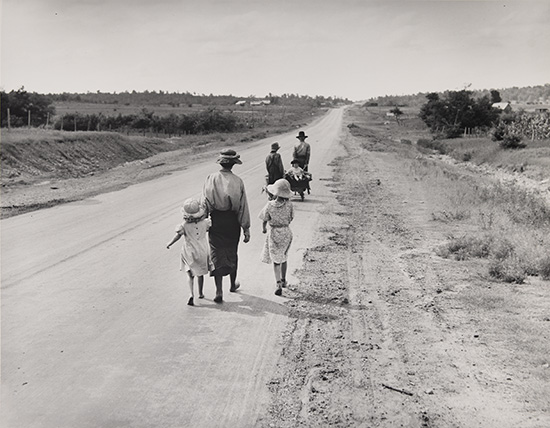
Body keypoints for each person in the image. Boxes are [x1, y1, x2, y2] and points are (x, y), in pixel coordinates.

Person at [202, 149, 251, 303]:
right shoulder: (238, 181)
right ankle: (232, 284)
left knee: (216, 253)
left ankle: (218, 290)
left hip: (216, 221)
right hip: (232, 221)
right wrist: (246, 228)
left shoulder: (211, 178)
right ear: (233, 164)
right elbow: (243, 206)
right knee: (232, 252)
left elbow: (205, 202)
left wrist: (200, 221)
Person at [166, 198, 212, 306]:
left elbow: (177, 236)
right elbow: (210, 228)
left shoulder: (184, 225)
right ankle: (200, 293)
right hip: (202, 250)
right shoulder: (205, 223)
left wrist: (170, 243)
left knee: (190, 274)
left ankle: (191, 294)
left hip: (189, 251)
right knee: (200, 273)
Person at [259, 178, 294, 296]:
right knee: (284, 255)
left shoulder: (270, 205)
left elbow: (264, 218)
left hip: (274, 233)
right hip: (286, 232)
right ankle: (284, 280)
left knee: (276, 259)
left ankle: (278, 283)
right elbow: (291, 218)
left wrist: (264, 228)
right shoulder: (289, 205)